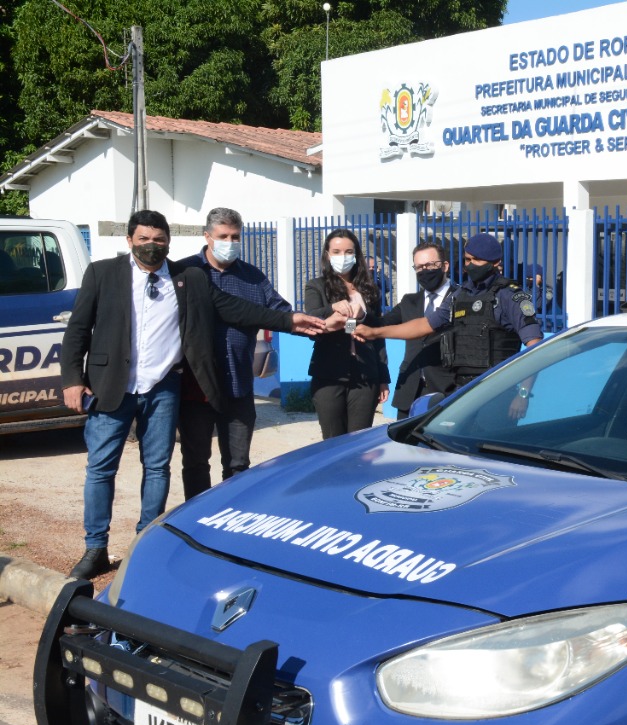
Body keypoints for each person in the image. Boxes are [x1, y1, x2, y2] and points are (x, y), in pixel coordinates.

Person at [60, 210, 323, 579]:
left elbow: (236, 308)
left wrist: (291, 320)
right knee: (101, 469)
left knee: (157, 468)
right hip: (110, 386)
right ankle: (95, 547)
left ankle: (144, 543)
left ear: (168, 241)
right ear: (130, 241)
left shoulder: (189, 278)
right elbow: (77, 330)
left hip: (164, 387)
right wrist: (73, 378)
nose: (151, 246)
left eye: (159, 239)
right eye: (144, 239)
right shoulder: (103, 274)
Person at [175, 207, 292, 499]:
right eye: (223, 235)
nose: (230, 241)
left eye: (235, 236)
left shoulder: (252, 277)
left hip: (238, 386)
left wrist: (322, 318)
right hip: (196, 389)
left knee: (239, 466)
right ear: (207, 236)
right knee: (196, 463)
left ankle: (231, 518)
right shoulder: (185, 273)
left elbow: (282, 313)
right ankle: (197, 521)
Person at [353, 233, 542, 412]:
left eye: (477, 260)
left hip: (497, 390)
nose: (471, 265)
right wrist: (374, 333)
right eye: (468, 259)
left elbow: (536, 347)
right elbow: (423, 325)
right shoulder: (461, 296)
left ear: (495, 263)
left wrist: (523, 394)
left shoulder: (510, 296)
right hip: (464, 391)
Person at [305, 228, 389, 438]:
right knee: (333, 440)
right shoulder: (316, 286)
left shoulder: (369, 289)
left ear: (356, 254)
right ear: (327, 254)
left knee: (358, 441)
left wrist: (383, 378)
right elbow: (313, 318)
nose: (343, 257)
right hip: (329, 374)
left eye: (348, 251)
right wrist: (334, 308)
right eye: (336, 251)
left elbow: (377, 335)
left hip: (365, 373)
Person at [375, 240, 458, 418]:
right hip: (409, 391)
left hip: (447, 391)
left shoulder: (461, 298)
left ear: (444, 266)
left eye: (430, 265)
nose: (424, 271)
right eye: (419, 267)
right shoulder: (409, 302)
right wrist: (352, 321)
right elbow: (379, 324)